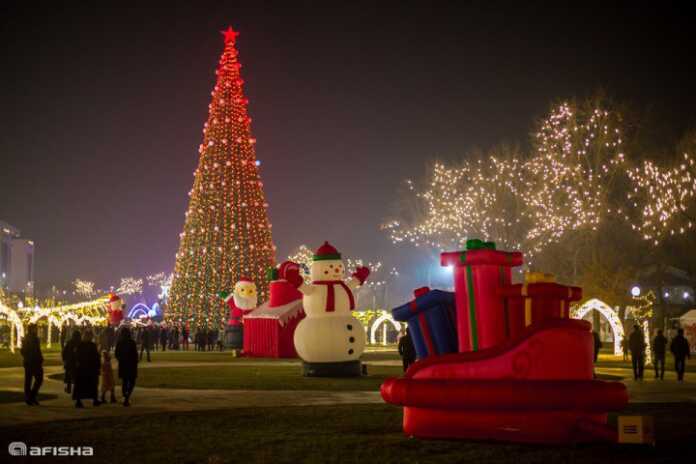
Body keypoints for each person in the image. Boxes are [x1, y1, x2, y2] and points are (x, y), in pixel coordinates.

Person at [73, 330, 102, 408]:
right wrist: (98, 366)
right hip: (88, 369)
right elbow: (96, 357)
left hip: (84, 369)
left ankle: (85, 400)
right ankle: (89, 400)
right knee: (90, 384)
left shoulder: (82, 345)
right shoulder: (90, 346)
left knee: (85, 385)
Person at [115, 327, 139, 406]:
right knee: (132, 381)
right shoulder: (132, 342)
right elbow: (135, 354)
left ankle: (125, 396)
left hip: (123, 364)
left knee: (125, 381)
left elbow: (116, 354)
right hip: (131, 364)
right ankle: (127, 396)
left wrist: (120, 359)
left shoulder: (120, 342)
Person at [20, 324, 43, 406]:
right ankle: (29, 398)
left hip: (36, 362)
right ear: (31, 329)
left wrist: (40, 358)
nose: (36, 330)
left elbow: (38, 350)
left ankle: (31, 396)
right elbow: (23, 351)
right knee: (28, 381)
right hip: (30, 362)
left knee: (39, 379)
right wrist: (28, 357)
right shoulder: (27, 339)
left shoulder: (36, 339)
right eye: (35, 328)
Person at [61, 330, 81, 394]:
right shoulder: (80, 343)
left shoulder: (69, 342)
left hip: (70, 362)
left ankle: (69, 388)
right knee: (76, 377)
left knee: (69, 375)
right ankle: (75, 389)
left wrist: (64, 359)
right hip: (76, 362)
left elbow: (64, 352)